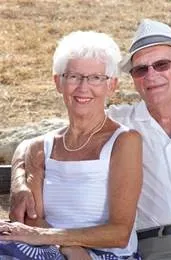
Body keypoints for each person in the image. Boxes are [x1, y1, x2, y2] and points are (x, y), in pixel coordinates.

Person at [7, 18, 171, 260]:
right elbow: (40, 143)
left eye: (161, 65)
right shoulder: (118, 126)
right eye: (140, 69)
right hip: (158, 251)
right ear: (132, 81)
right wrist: (19, 180)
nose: (151, 75)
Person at [0, 30, 143, 260]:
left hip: (105, 255)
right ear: (58, 82)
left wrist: (63, 244)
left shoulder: (124, 141)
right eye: (74, 76)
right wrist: (65, 247)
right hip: (50, 250)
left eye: (96, 77)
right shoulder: (41, 147)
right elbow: (32, 218)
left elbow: (119, 233)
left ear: (112, 85)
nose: (83, 87)